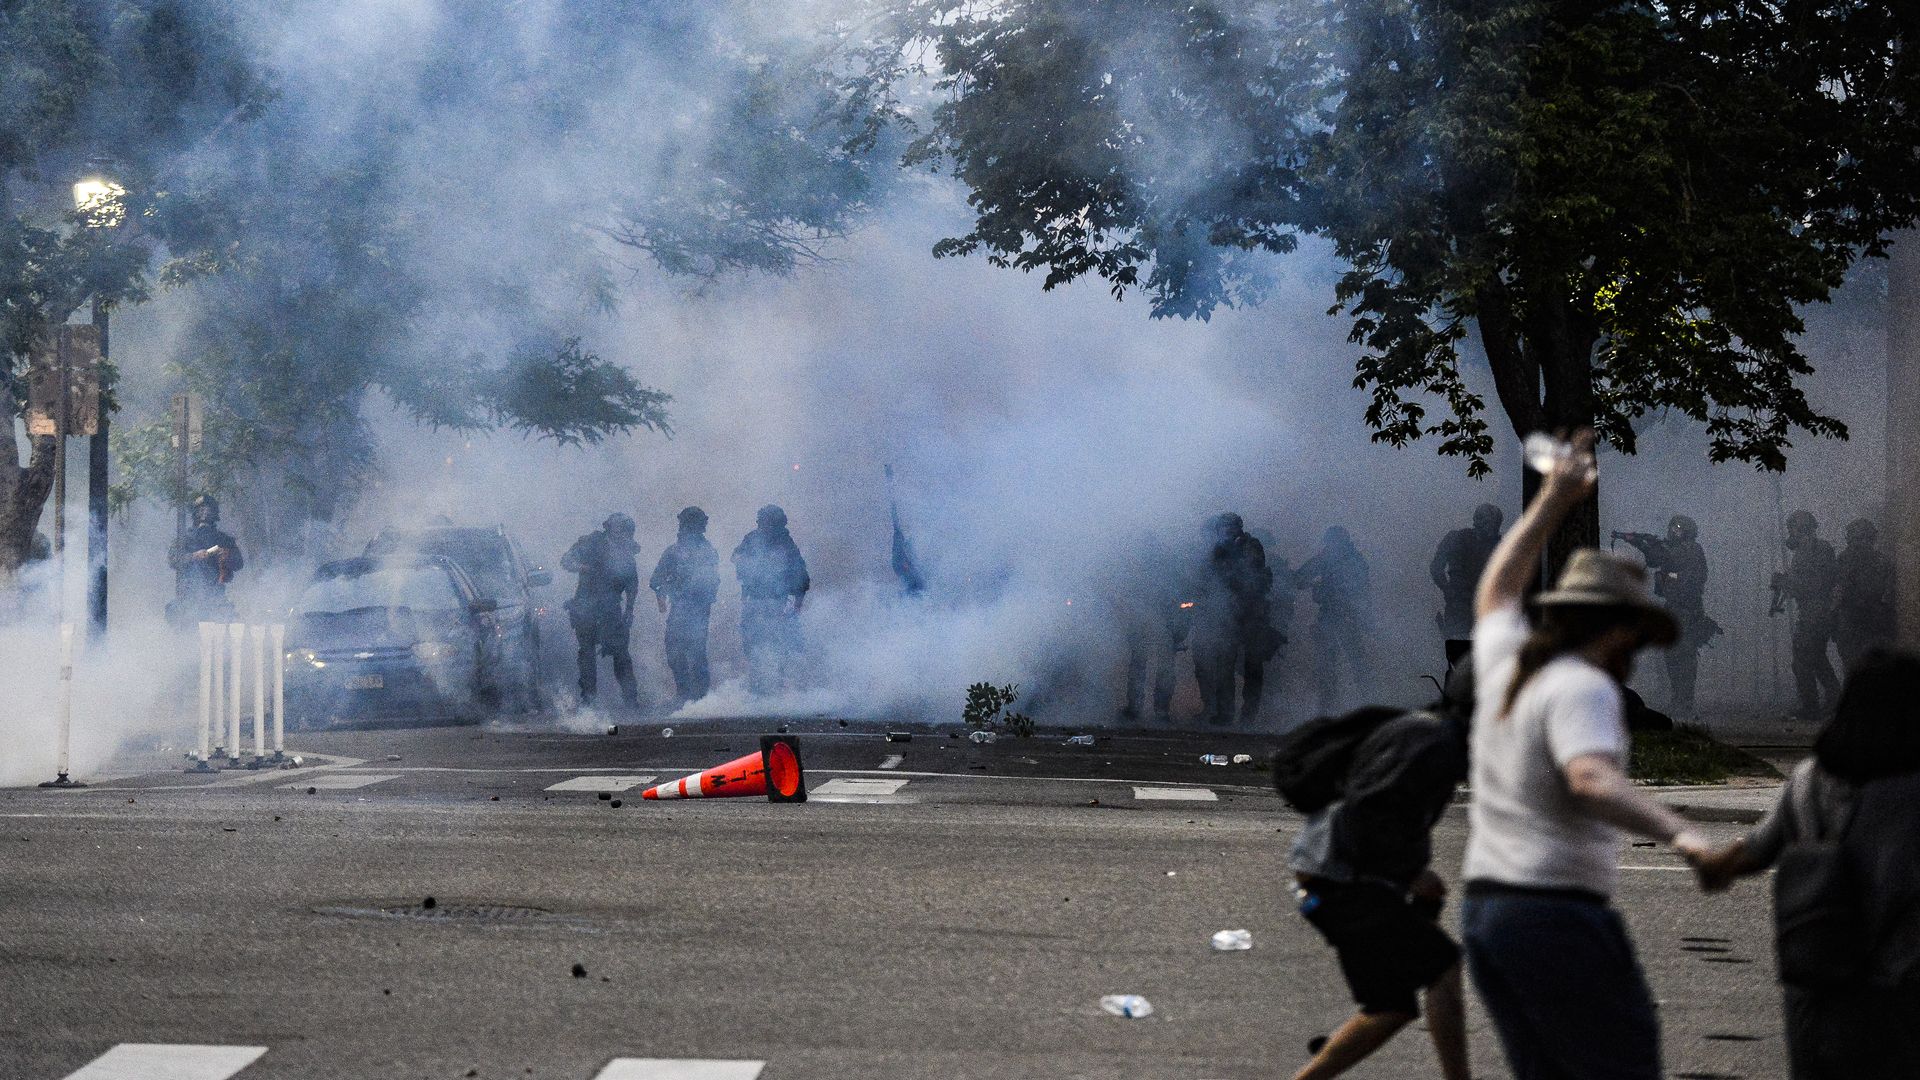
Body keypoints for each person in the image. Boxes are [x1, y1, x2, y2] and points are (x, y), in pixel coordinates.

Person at [1462, 429, 1713, 1080]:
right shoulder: (1583, 686)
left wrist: (1553, 500)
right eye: (1635, 631)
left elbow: (1496, 591)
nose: (1638, 649)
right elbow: (1591, 779)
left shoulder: (1508, 666)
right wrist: (1683, 833)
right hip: (1557, 917)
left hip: (1490, 914)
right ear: (1611, 625)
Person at [1694, 649, 1920, 1079]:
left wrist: (1708, 862)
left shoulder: (1810, 777)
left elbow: (1755, 851)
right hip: (1900, 989)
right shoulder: (1911, 793)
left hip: (1817, 985)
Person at [1288, 667, 1474, 1080]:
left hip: (1337, 874)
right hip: (1342, 879)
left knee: (1391, 1005)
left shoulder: (1430, 735)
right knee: (1441, 966)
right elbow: (1367, 814)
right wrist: (1410, 873)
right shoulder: (1434, 746)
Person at [1614, 515, 1717, 717]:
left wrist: (1642, 543)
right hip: (1674, 609)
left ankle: (1684, 702)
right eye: (1672, 527)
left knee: (1683, 657)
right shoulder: (1676, 549)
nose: (1673, 531)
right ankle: (1678, 700)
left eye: (1678, 528)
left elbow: (1664, 558)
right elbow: (1657, 559)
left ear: (1687, 531)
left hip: (1687, 611)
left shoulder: (1691, 549)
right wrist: (1637, 541)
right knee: (1672, 656)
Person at [1189, 513, 1277, 726]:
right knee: (1224, 665)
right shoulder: (1217, 550)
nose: (1226, 531)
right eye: (1223, 527)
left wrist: (1231, 554)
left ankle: (1249, 715)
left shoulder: (1251, 545)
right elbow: (1205, 579)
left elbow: (1253, 569)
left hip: (1251, 614)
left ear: (1238, 527)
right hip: (1228, 615)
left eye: (1230, 527)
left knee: (1253, 667)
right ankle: (1225, 713)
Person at [561, 513, 640, 707]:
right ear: (610, 528)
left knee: (621, 654)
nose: (624, 535)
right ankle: (589, 699)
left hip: (611, 608)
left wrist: (629, 610)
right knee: (587, 654)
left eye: (627, 531)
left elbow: (632, 582)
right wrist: (584, 568)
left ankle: (630, 699)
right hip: (585, 607)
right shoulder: (590, 543)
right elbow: (566, 561)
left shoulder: (627, 549)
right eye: (621, 529)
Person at [1296, 526, 1374, 714]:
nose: (1332, 546)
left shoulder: (1345, 560)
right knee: (1331, 664)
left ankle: (1362, 706)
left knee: (1349, 663)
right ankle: (1336, 708)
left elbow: (1300, 578)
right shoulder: (1345, 559)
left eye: (1333, 542)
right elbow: (1299, 578)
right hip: (1337, 616)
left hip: (1343, 616)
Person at [733, 505, 809, 695]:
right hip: (756, 601)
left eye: (765, 522)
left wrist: (797, 600)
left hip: (775, 602)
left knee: (776, 644)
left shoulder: (784, 543)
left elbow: (799, 573)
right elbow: (735, 557)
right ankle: (759, 687)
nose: (762, 525)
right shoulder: (754, 539)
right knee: (753, 644)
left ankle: (776, 686)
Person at [649, 506, 720, 705]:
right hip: (679, 608)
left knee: (697, 652)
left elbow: (714, 581)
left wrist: (704, 598)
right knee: (673, 650)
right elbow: (656, 579)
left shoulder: (708, 552)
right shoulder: (673, 552)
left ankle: (701, 697)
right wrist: (662, 598)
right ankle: (684, 692)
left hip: (699, 610)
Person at [1774, 510, 1840, 722]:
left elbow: (1816, 585)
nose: (1790, 532)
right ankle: (1835, 699)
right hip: (1814, 612)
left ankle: (1811, 706)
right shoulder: (1808, 550)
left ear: (1801, 528)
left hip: (1816, 612)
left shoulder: (1815, 550)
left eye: (1792, 527)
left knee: (1802, 661)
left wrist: (1787, 583)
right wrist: (1785, 581)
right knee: (1817, 658)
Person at [166, 494, 245, 626]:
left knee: (220, 630)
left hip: (215, 594)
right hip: (189, 595)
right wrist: (193, 556)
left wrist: (227, 555)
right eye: (201, 509)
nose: (205, 513)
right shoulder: (185, 539)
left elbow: (238, 563)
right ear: (195, 513)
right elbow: (173, 560)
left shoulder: (223, 539)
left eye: (208, 509)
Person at [1832, 518, 1895, 673]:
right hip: (1854, 623)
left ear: (1870, 539)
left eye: (1862, 538)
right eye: (1855, 539)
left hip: (1872, 623)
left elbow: (1890, 596)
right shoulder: (1844, 560)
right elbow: (1837, 591)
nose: (1859, 544)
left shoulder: (1882, 562)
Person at [1430, 503, 1503, 639]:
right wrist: (1448, 590)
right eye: (1489, 524)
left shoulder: (1498, 545)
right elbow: (1436, 569)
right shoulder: (1456, 539)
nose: (1492, 531)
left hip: (1483, 611)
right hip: (1461, 611)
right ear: (1480, 522)